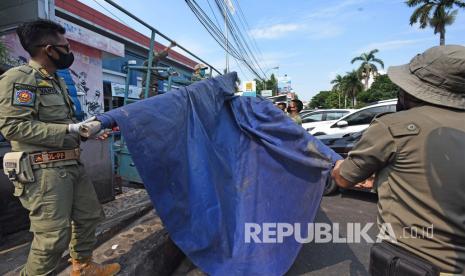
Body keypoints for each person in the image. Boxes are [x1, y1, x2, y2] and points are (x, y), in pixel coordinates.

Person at [331, 45, 465, 275]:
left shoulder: (393, 126)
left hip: (414, 263)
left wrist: (337, 166)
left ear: (412, 91)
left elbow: (344, 179)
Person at [0, 19, 120, 276]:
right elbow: (14, 127)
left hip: (70, 164)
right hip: (44, 172)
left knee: (89, 217)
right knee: (52, 239)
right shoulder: (20, 78)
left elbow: (61, 125)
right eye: (64, 46)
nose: (69, 52)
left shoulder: (57, 80)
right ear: (48, 49)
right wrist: (68, 129)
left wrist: (85, 133)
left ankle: (83, 266)